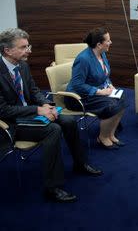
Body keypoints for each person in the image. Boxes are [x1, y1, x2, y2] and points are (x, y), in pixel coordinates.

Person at [0, 28, 102, 202]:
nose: (29, 50)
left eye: (28, 45)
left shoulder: (22, 66)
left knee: (69, 121)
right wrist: (37, 110)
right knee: (53, 130)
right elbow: (3, 110)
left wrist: (46, 104)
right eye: (24, 47)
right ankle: (52, 187)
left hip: (32, 113)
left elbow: (34, 90)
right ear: (7, 50)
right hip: (12, 123)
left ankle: (80, 164)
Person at [65, 27, 127, 149]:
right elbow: (77, 84)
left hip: (97, 91)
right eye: (108, 41)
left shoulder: (102, 53)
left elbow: (105, 74)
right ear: (99, 44)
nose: (111, 42)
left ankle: (111, 134)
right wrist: (99, 92)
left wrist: (109, 84)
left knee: (122, 98)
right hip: (78, 97)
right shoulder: (83, 59)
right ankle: (102, 137)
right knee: (111, 105)